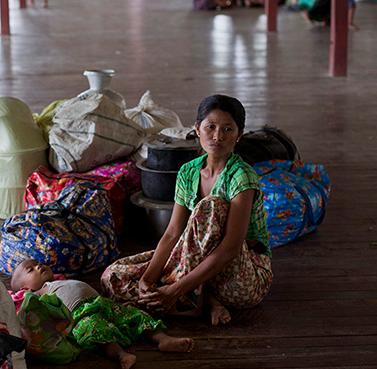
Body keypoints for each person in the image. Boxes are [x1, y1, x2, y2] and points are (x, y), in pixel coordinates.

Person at [101, 95, 272, 327]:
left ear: (239, 135)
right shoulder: (188, 172)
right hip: (197, 264)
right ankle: (203, 299)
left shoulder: (241, 176)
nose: (217, 136)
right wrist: (147, 281)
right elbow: (173, 233)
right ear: (197, 129)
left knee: (212, 206)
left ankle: (186, 296)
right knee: (113, 277)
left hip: (241, 277)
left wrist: (174, 289)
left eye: (227, 129)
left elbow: (231, 248)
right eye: (210, 127)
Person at [11, 259, 194, 369]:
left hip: (103, 304)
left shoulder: (61, 280)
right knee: (97, 331)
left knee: (135, 315)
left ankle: (162, 339)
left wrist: (118, 304)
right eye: (31, 269)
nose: (38, 266)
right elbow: (30, 310)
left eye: (37, 263)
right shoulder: (36, 293)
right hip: (80, 315)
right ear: (25, 288)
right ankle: (121, 355)